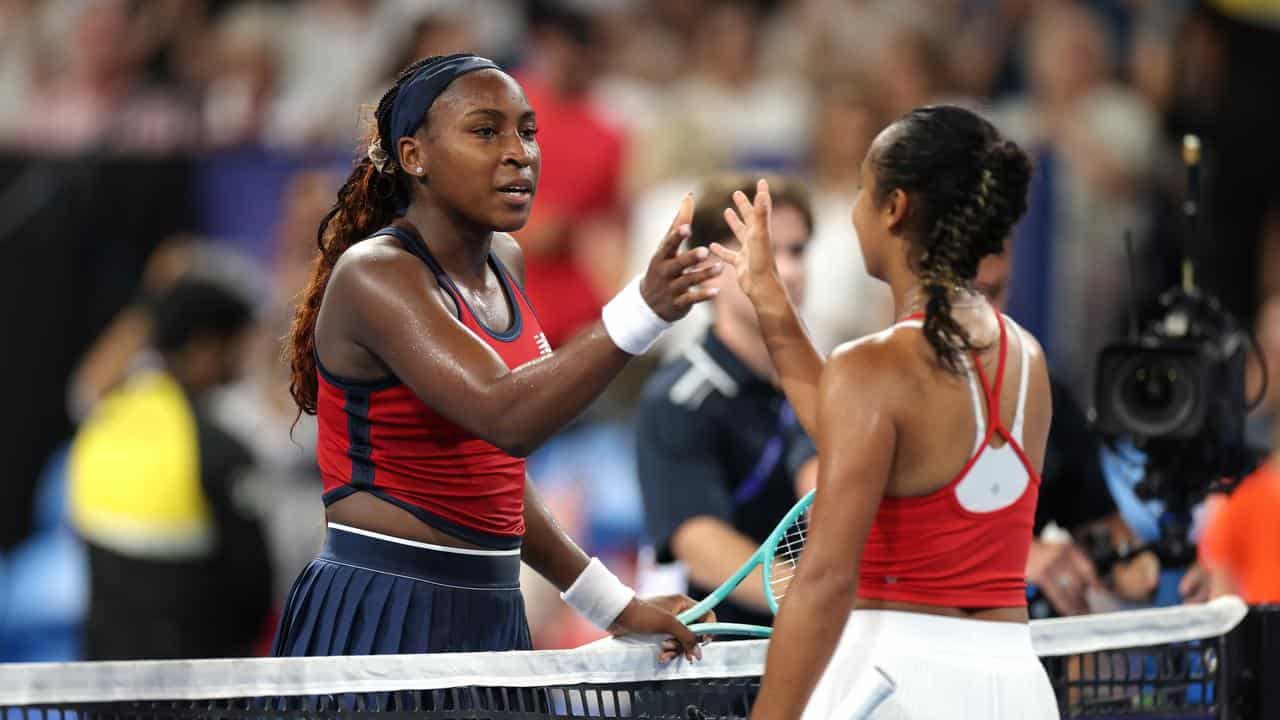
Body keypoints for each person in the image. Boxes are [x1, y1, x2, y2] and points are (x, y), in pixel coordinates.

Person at [276, 53, 718, 659]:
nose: (520, 152)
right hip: (382, 610)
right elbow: (507, 417)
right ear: (414, 156)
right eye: (486, 131)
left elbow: (495, 478)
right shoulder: (376, 275)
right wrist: (641, 310)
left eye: (527, 131)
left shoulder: (505, 261)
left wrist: (610, 604)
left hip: (493, 610)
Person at [712, 106, 1059, 717]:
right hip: (1016, 686)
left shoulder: (874, 366)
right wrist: (769, 298)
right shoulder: (1026, 355)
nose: (852, 211)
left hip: (896, 681)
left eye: (860, 191)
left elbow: (822, 582)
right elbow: (866, 439)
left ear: (893, 207)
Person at [635, 174, 817, 629]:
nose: (788, 272)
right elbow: (699, 544)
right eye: (765, 253)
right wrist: (819, 600)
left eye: (797, 251)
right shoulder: (677, 400)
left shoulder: (833, 379)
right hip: (726, 660)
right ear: (711, 267)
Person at [68, 278, 272, 659]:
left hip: (103, 671)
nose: (242, 367)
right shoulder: (218, 448)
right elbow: (252, 585)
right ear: (204, 347)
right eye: (237, 349)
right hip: (194, 681)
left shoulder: (101, 422)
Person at [975, 249, 1160, 617]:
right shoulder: (881, 387)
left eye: (995, 292)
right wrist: (1013, 556)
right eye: (970, 295)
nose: (985, 316)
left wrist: (1155, 569)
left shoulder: (1043, 394)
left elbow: (1106, 533)